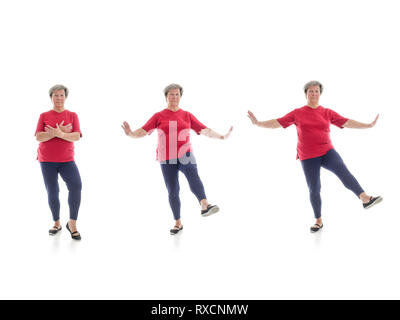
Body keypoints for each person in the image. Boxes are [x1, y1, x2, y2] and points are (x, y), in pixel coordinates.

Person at [248, 80, 382, 233]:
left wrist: (368, 125)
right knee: (314, 188)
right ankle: (318, 220)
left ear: (320, 94)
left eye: (316, 91)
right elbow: (278, 122)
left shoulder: (327, 112)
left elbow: (346, 121)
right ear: (306, 94)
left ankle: (364, 198)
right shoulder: (297, 112)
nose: (314, 94)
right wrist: (258, 123)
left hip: (327, 151)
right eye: (310, 91)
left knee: (344, 172)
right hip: (308, 155)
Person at [122, 84, 233, 235]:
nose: (174, 97)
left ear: (180, 97)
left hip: (185, 153)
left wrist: (221, 136)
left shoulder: (187, 115)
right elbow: (143, 130)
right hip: (166, 158)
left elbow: (203, 129)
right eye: (171, 95)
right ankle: (178, 222)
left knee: (193, 175)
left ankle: (204, 205)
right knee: (173, 190)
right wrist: (131, 134)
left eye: (177, 95)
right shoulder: (158, 116)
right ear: (166, 97)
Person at [35, 85, 83, 240]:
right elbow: (39, 137)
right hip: (46, 160)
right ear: (51, 97)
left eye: (61, 95)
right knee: (53, 191)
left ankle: (72, 223)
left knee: (76, 186)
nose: (58, 98)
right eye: (55, 95)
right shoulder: (44, 115)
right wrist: (58, 133)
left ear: (65, 97)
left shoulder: (72, 115)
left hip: (67, 160)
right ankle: (56, 222)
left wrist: (59, 133)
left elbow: (76, 136)